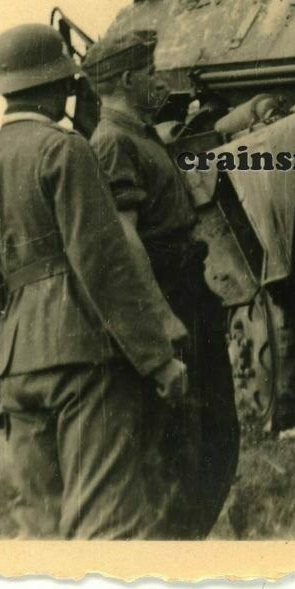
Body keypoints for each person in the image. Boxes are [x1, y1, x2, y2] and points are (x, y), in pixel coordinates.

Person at [0, 22, 189, 540]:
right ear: (60, 84)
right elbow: (103, 262)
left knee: (44, 530)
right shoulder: (64, 151)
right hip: (81, 359)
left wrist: (2, 372)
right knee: (107, 526)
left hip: (17, 370)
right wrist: (157, 360)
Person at [81, 29, 240, 540]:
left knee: (216, 436)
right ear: (127, 79)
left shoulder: (138, 134)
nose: (156, 79)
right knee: (188, 443)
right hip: (171, 296)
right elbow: (126, 242)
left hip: (188, 288)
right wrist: (164, 318)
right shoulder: (112, 144)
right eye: (147, 71)